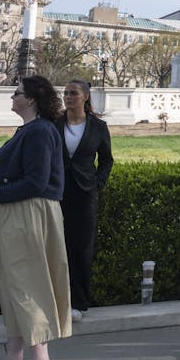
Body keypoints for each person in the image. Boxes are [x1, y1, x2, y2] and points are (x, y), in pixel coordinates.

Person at [0, 76, 72, 360]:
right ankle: (15, 356)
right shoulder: (31, 130)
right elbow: (24, 176)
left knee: (28, 285)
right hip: (18, 213)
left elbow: (37, 181)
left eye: (17, 93)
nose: (12, 97)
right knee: (13, 285)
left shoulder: (39, 131)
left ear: (31, 99)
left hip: (28, 214)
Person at [55, 79, 114, 322]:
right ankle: (57, 300)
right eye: (66, 93)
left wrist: (97, 183)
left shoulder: (98, 127)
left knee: (81, 247)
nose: (68, 97)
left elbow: (107, 159)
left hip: (85, 191)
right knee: (56, 245)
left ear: (85, 97)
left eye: (73, 93)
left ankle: (78, 301)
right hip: (57, 191)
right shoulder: (54, 124)